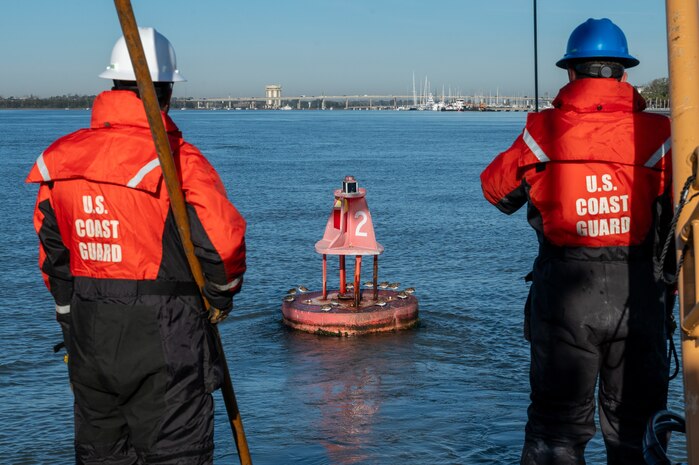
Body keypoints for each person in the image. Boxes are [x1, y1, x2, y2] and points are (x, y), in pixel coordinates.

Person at [26, 27, 246, 464]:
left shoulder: (61, 160)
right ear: (166, 92)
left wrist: (70, 317)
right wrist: (220, 296)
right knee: (176, 453)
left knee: (102, 454)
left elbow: (54, 259)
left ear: (112, 85)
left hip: (89, 334)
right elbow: (222, 245)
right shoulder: (177, 159)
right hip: (166, 334)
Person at [480, 18, 674, 465]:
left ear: (571, 72)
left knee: (556, 431)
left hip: (566, 294)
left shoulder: (542, 132)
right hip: (640, 294)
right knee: (637, 428)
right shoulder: (660, 137)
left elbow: (496, 192)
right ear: (623, 73)